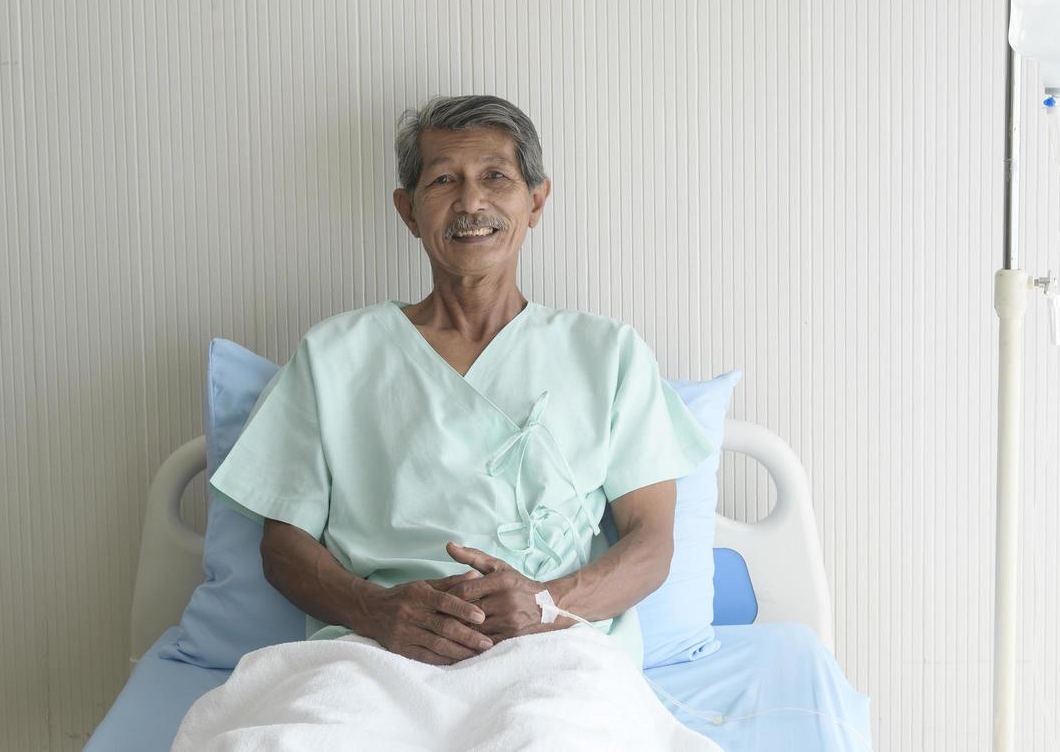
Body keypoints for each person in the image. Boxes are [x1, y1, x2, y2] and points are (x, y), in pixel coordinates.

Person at [209, 94, 713, 670]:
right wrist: (376, 611)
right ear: (408, 210)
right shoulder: (334, 355)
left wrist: (546, 604)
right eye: (444, 180)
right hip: (377, 653)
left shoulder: (609, 354)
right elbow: (284, 548)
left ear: (536, 201)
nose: (471, 201)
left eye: (495, 177)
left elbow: (650, 543)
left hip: (552, 652)